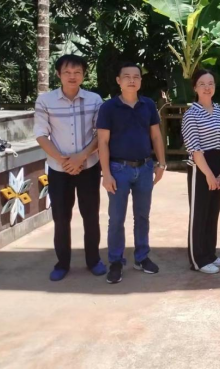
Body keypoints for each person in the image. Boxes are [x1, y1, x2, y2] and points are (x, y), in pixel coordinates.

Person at [34, 54, 105, 282]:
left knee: (91, 216)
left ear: (84, 75)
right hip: (58, 169)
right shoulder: (45, 101)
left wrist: (81, 157)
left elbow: (101, 134)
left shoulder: (95, 100)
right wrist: (64, 160)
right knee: (61, 218)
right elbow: (41, 135)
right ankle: (62, 264)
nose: (72, 77)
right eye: (67, 72)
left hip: (89, 167)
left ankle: (93, 260)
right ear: (58, 74)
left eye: (77, 72)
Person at [97, 62, 166, 284]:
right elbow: (103, 142)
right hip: (118, 169)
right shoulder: (108, 108)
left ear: (140, 81)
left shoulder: (148, 105)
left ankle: (141, 257)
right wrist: (106, 174)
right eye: (126, 76)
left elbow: (156, 136)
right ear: (118, 81)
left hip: (145, 168)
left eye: (136, 76)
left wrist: (161, 163)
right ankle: (116, 261)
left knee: (142, 216)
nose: (131, 80)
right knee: (116, 218)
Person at [181, 69, 220, 274]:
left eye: (210, 83)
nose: (207, 87)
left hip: (219, 164)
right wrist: (209, 175)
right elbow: (195, 149)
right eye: (202, 84)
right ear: (195, 87)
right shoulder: (191, 114)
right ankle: (198, 260)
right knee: (199, 213)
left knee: (213, 212)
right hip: (200, 167)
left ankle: (210, 253)